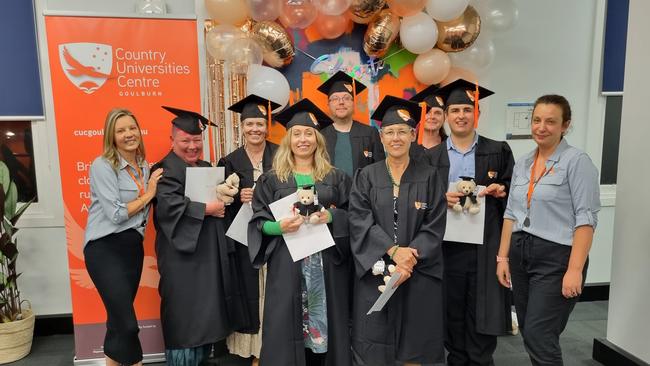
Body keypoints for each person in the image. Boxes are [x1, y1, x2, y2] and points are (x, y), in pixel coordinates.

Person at [496, 95, 600, 366]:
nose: (542, 127)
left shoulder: (577, 162)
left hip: (556, 258)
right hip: (520, 255)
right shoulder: (524, 163)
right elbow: (511, 214)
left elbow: (585, 220)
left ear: (565, 125)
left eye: (551, 122)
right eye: (537, 120)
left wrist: (575, 270)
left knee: (541, 333)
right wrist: (502, 257)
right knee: (530, 331)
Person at [248, 98, 352, 366]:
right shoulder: (272, 179)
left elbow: (355, 215)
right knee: (287, 323)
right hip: (287, 261)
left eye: (309, 134)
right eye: (297, 134)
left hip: (326, 263)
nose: (303, 140)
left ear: (318, 139)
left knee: (326, 322)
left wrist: (331, 216)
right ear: (288, 140)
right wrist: (278, 226)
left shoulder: (337, 177)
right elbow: (258, 221)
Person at [348, 96, 447, 366]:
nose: (396, 138)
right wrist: (393, 251)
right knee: (375, 340)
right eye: (389, 132)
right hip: (377, 267)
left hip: (418, 270)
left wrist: (409, 258)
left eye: (402, 132)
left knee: (416, 342)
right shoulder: (366, 176)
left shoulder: (429, 175)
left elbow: (435, 222)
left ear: (413, 135)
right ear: (381, 138)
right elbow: (359, 219)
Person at [425, 79, 515, 366]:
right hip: (446, 246)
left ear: (476, 112)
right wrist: (440, 196)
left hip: (484, 246)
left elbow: (513, 193)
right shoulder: (430, 157)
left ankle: (480, 361)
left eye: (467, 109)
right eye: (455, 110)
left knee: (481, 312)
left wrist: (501, 190)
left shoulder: (498, 150)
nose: (461, 115)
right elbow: (421, 198)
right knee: (451, 310)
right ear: (446, 116)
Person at [152, 106, 242, 365]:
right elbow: (169, 208)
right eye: (185, 141)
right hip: (182, 260)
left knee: (206, 316)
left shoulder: (205, 168)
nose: (192, 146)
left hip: (207, 257)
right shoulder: (164, 171)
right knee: (184, 317)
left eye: (196, 140)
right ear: (172, 141)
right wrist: (207, 208)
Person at [84, 108, 163, 366]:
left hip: (131, 249)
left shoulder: (142, 165)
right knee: (128, 325)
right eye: (121, 130)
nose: (129, 134)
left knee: (117, 322)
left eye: (132, 128)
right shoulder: (103, 165)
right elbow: (116, 214)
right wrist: (149, 193)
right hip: (104, 249)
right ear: (112, 136)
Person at [219, 94, 280, 366]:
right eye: (249, 124)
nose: (255, 129)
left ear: (267, 126)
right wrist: (235, 197)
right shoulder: (229, 160)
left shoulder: (281, 155)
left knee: (276, 289)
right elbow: (220, 202)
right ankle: (252, 349)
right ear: (241, 127)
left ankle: (274, 345)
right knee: (250, 290)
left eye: (260, 124)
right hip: (244, 240)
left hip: (278, 236)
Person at [318, 71, 385, 177]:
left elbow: (380, 171)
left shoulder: (370, 133)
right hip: (328, 193)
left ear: (353, 103)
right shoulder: (319, 135)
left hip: (363, 193)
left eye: (346, 98)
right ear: (328, 105)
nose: (341, 102)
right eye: (335, 98)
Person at [409, 84, 448, 160]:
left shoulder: (451, 147)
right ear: (419, 116)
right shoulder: (407, 147)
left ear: (445, 117)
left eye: (437, 113)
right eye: (427, 112)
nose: (432, 116)